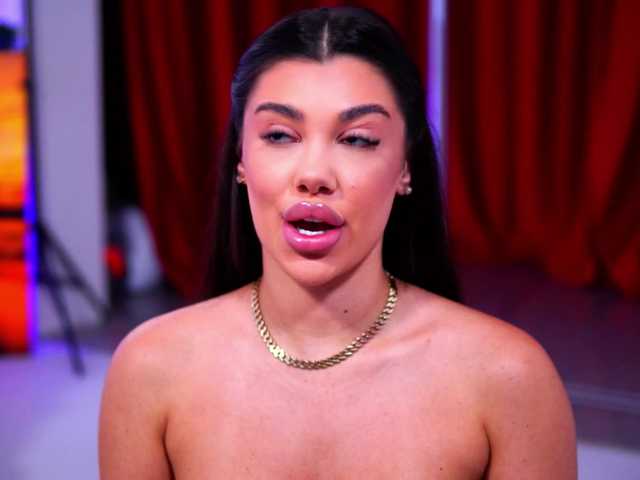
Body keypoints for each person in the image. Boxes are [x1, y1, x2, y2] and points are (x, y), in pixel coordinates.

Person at [99, 6, 576, 479]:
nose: (314, 175)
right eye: (280, 135)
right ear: (241, 159)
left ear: (405, 167)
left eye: (357, 140)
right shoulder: (151, 368)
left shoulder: (508, 379)